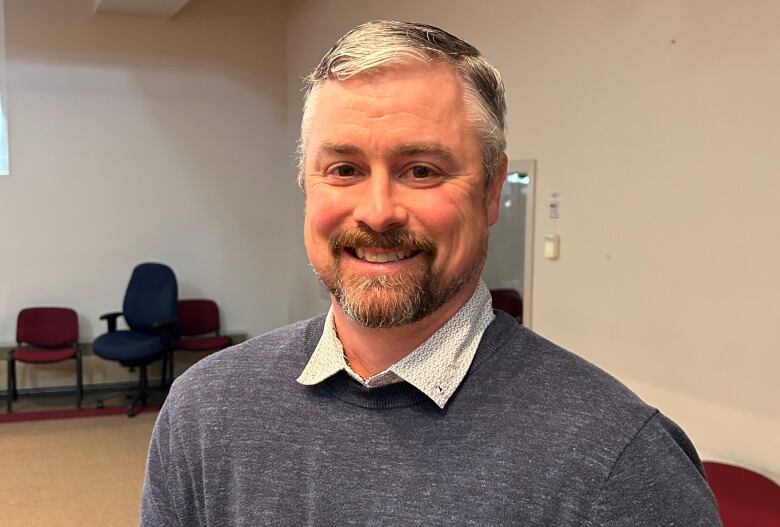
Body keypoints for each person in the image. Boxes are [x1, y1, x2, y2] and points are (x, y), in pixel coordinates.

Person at [142, 21, 721, 526]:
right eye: (343, 169)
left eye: (421, 170)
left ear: (493, 192)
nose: (376, 211)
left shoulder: (618, 462)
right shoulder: (205, 411)